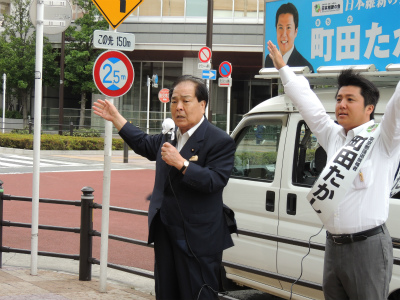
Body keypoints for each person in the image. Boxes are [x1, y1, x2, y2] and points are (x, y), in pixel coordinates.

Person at [267, 40, 399, 300]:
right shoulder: (334, 136)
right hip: (333, 245)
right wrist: (284, 69)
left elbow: (397, 107)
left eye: (350, 99)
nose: (341, 104)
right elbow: (309, 106)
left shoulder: (384, 139)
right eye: (339, 99)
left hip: (368, 247)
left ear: (369, 108)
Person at [93, 75, 237, 300]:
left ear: (202, 104)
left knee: (198, 294)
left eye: (185, 101)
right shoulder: (169, 137)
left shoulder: (219, 141)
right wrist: (117, 119)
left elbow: (215, 180)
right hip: (166, 231)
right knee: (166, 292)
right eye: (174, 101)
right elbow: (142, 143)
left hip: (197, 239)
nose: (178, 107)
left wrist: (182, 164)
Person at [264, 2, 314, 73]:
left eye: (288, 27)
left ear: (296, 31)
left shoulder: (305, 66)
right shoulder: (270, 60)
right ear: (276, 30)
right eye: (280, 27)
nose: (284, 34)